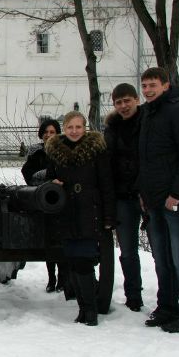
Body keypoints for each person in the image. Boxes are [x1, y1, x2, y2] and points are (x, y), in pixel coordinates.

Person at [137, 67, 179, 333]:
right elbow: (145, 160)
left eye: (153, 85)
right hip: (153, 200)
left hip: (174, 200)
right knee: (162, 259)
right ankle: (166, 306)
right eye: (144, 85)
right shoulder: (148, 115)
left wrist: (176, 193)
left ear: (166, 85)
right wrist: (143, 193)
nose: (148, 90)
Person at [45, 111, 116, 326]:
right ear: (64, 129)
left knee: (85, 261)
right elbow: (49, 176)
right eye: (70, 127)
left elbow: (106, 183)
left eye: (78, 127)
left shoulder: (96, 151)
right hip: (67, 213)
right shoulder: (56, 152)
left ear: (84, 128)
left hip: (89, 211)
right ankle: (83, 309)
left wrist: (108, 216)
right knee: (73, 262)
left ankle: (91, 310)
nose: (74, 131)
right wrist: (53, 182)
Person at [104, 83, 145, 312]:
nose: (123, 106)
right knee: (128, 251)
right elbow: (107, 163)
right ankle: (134, 297)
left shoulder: (148, 123)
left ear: (136, 100)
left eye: (127, 100)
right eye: (119, 102)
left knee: (162, 250)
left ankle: (168, 297)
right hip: (122, 196)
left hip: (146, 194)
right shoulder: (112, 129)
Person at [21, 119, 67, 293]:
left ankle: (63, 278)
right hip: (42, 201)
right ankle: (52, 278)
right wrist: (47, 178)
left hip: (61, 202)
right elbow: (28, 173)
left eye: (52, 132)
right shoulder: (36, 152)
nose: (49, 135)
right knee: (48, 241)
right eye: (46, 132)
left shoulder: (63, 151)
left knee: (60, 241)